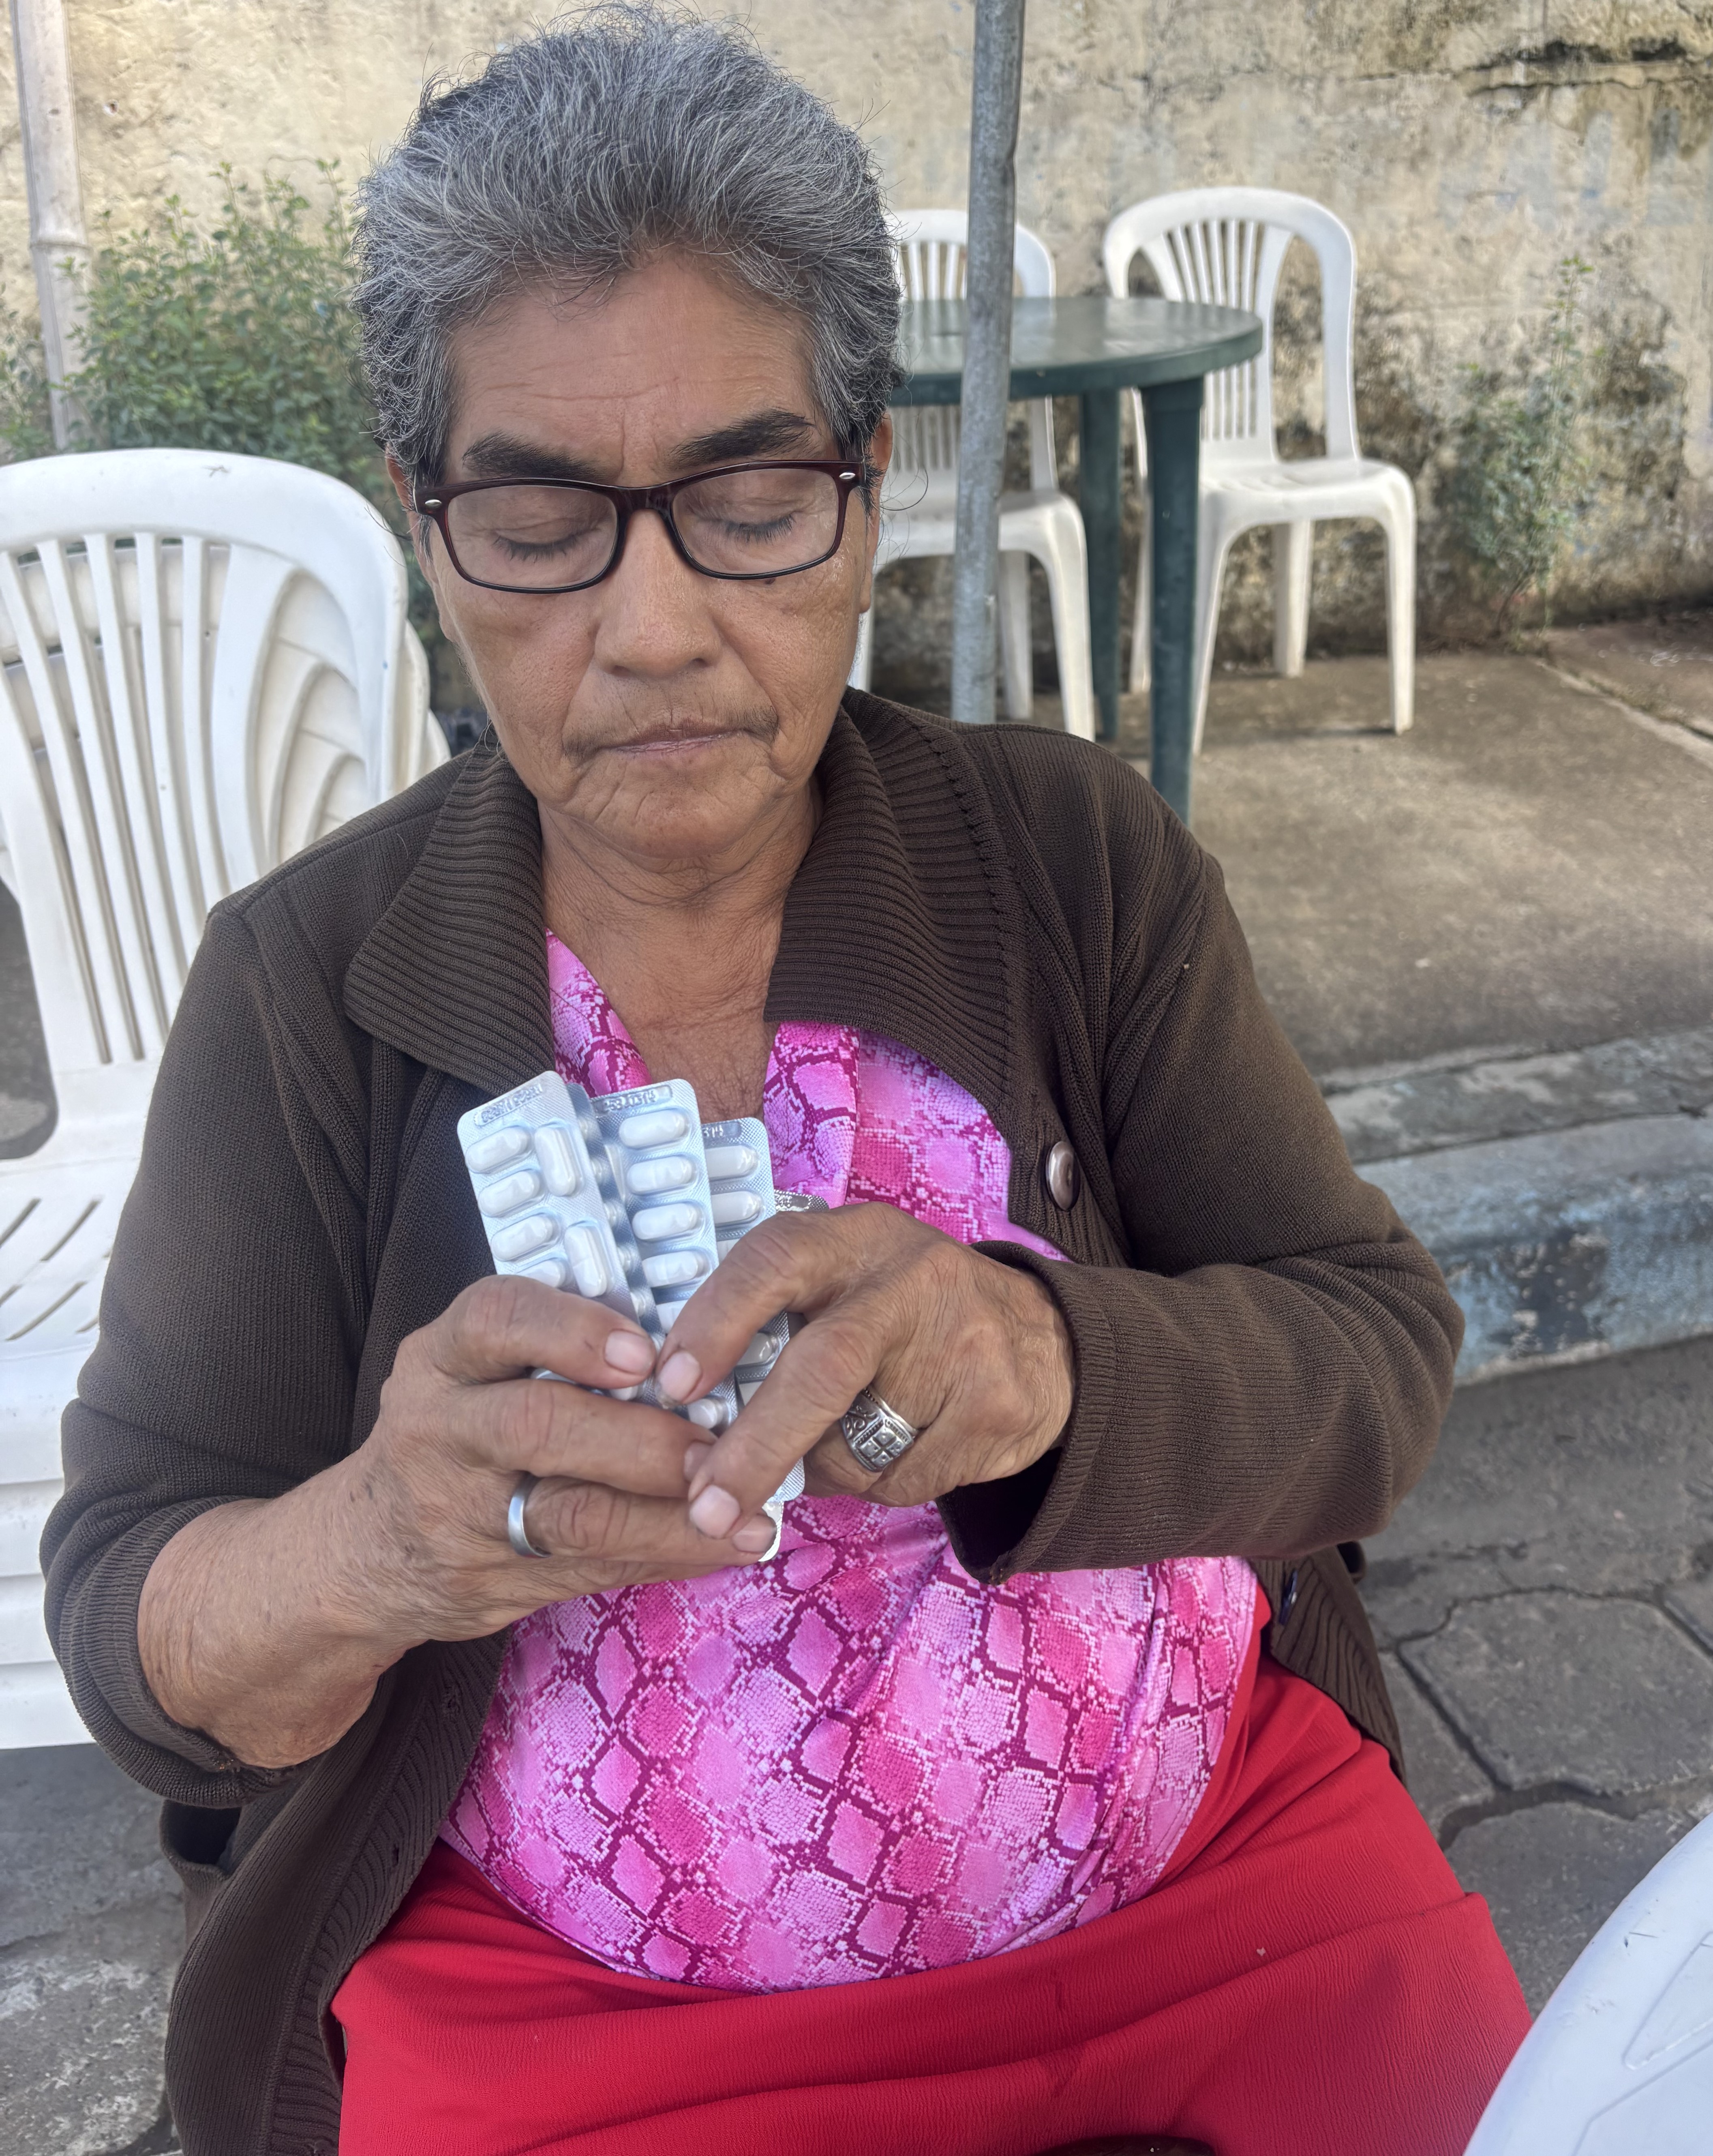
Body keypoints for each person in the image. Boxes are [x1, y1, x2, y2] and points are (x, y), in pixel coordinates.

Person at [44, 11, 1529, 2153]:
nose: (653, 629)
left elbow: (1375, 1359)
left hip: (1216, 1890)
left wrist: (1040, 1367)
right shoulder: (303, 989)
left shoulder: (1066, 861)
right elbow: (132, 1622)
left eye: (747, 504)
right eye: (536, 519)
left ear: (864, 490)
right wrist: (378, 1543)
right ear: (429, 529)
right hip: (578, 2009)